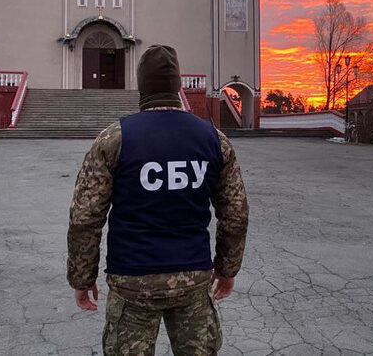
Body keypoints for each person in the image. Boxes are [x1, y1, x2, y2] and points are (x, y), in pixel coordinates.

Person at [67, 45, 249, 355]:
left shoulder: (114, 139)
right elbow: (235, 213)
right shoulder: (213, 139)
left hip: (132, 280)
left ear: (141, 85)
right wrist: (227, 269)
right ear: (178, 85)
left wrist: (82, 277)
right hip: (192, 278)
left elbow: (85, 217)